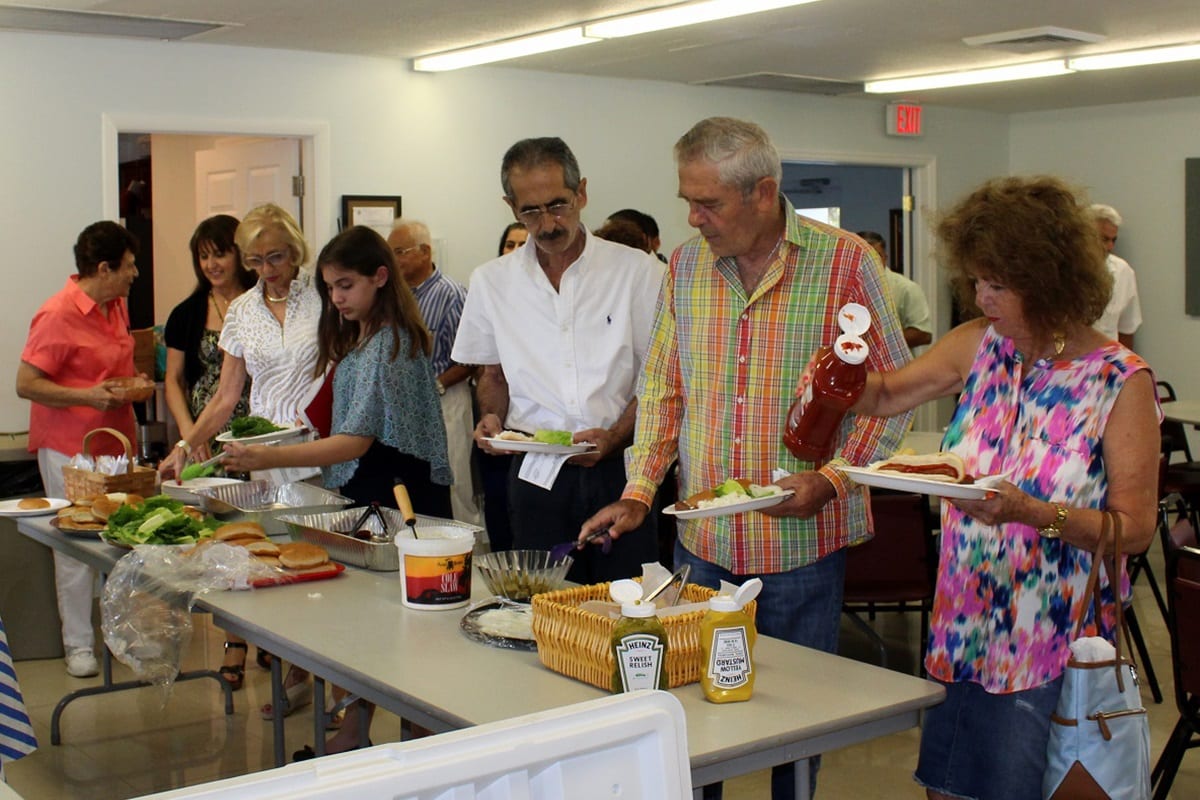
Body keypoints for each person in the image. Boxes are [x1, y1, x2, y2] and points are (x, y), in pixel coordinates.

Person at [579, 117, 913, 800]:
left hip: (802, 548)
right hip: (702, 545)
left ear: (763, 193)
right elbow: (664, 388)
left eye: (710, 204)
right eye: (688, 202)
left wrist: (833, 478)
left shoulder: (845, 263)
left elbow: (895, 396)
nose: (695, 218)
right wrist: (640, 489)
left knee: (797, 728)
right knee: (692, 722)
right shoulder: (687, 265)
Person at [852, 176, 1160, 800]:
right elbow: (884, 395)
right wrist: (837, 379)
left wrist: (1033, 513)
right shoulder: (979, 347)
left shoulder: (1118, 382)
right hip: (963, 620)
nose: (981, 297)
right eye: (976, 282)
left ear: (1049, 281)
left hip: (1048, 640)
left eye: (998, 284)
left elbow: (1134, 530)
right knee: (951, 787)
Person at [223, 225, 451, 758]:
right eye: (329, 287)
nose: (337, 298)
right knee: (367, 626)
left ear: (379, 277)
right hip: (377, 494)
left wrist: (268, 456)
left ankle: (420, 740)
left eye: (345, 285)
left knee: (404, 628)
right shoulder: (369, 337)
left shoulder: (390, 343)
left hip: (399, 501)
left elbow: (354, 441)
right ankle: (354, 731)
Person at [453, 137, 665, 583]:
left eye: (558, 206)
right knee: (541, 602)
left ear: (581, 193)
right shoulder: (492, 282)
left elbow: (660, 382)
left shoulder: (638, 272)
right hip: (535, 469)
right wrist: (491, 417)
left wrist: (613, 436)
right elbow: (492, 375)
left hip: (622, 468)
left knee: (626, 602)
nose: (547, 224)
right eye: (530, 211)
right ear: (511, 207)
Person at [157, 202, 323, 719]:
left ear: (295, 250)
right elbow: (227, 396)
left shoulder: (322, 296)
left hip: (321, 450)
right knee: (273, 568)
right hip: (260, 457)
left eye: (275, 257)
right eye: (255, 260)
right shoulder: (244, 311)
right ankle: (297, 674)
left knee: (319, 574)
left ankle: (326, 684)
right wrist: (185, 446)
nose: (266, 270)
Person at [16, 221, 142, 678]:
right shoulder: (56, 313)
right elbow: (26, 385)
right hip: (70, 448)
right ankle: (78, 644)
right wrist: (89, 396)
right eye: (128, 266)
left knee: (123, 540)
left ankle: (121, 635)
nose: (135, 274)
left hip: (116, 445)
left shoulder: (117, 307)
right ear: (104, 268)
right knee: (73, 547)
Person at [387, 218, 479, 526]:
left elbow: (471, 359)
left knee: (453, 483)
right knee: (415, 486)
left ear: (425, 252)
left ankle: (467, 552)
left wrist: (435, 386)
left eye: (399, 251)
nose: (393, 260)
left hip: (445, 401)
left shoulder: (453, 295)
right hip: (404, 407)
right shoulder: (394, 298)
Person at [164, 215, 257, 461]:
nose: (211, 264)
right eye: (203, 257)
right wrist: (190, 435)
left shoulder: (260, 305)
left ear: (239, 254)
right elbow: (173, 380)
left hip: (254, 428)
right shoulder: (186, 313)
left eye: (219, 254)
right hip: (203, 435)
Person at [857, 230, 933, 349]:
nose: (869, 263)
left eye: (876, 256)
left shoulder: (906, 288)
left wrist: (876, 343)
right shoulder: (845, 288)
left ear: (885, 258)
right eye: (863, 257)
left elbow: (923, 334)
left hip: (897, 366)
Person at [1090, 203, 1142, 349]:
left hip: (1107, 360)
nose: (1110, 247)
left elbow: (1127, 330)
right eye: (1104, 239)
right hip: (1068, 363)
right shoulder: (1062, 270)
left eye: (1113, 240)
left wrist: (1125, 370)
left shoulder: (1123, 271)